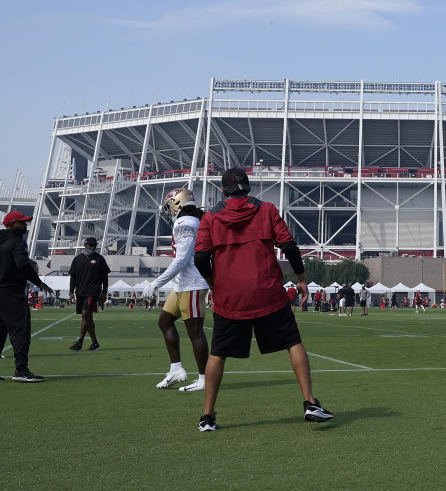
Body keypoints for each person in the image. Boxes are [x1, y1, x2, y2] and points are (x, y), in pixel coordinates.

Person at [193, 167, 333, 431]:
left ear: (223, 190)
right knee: (293, 342)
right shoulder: (266, 209)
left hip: (230, 296)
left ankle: (208, 416)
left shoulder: (210, 217)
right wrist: (301, 279)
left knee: (218, 352)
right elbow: (289, 246)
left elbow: (200, 258)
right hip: (268, 291)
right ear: (248, 188)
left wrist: (214, 284)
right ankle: (309, 402)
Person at [142, 188, 211, 392]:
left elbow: (181, 259)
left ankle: (204, 378)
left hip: (193, 284)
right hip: (183, 284)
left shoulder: (184, 222)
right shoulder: (192, 220)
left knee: (195, 332)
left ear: (177, 203)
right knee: (164, 321)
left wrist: (156, 283)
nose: (169, 210)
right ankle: (176, 369)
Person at [0, 210, 54, 383]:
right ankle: (21, 370)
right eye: (22, 222)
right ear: (11, 224)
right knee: (20, 332)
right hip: (11, 294)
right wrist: (39, 282)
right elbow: (23, 266)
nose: (25, 225)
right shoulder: (17, 242)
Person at [68, 236, 111, 351]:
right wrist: (71, 292)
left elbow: (105, 277)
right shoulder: (77, 259)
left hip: (93, 292)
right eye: (90, 245)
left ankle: (79, 342)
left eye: (94, 245)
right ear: (85, 245)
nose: (92, 247)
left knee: (85, 315)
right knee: (88, 318)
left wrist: (104, 293)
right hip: (80, 292)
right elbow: (73, 277)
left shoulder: (99, 259)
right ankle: (95, 343)